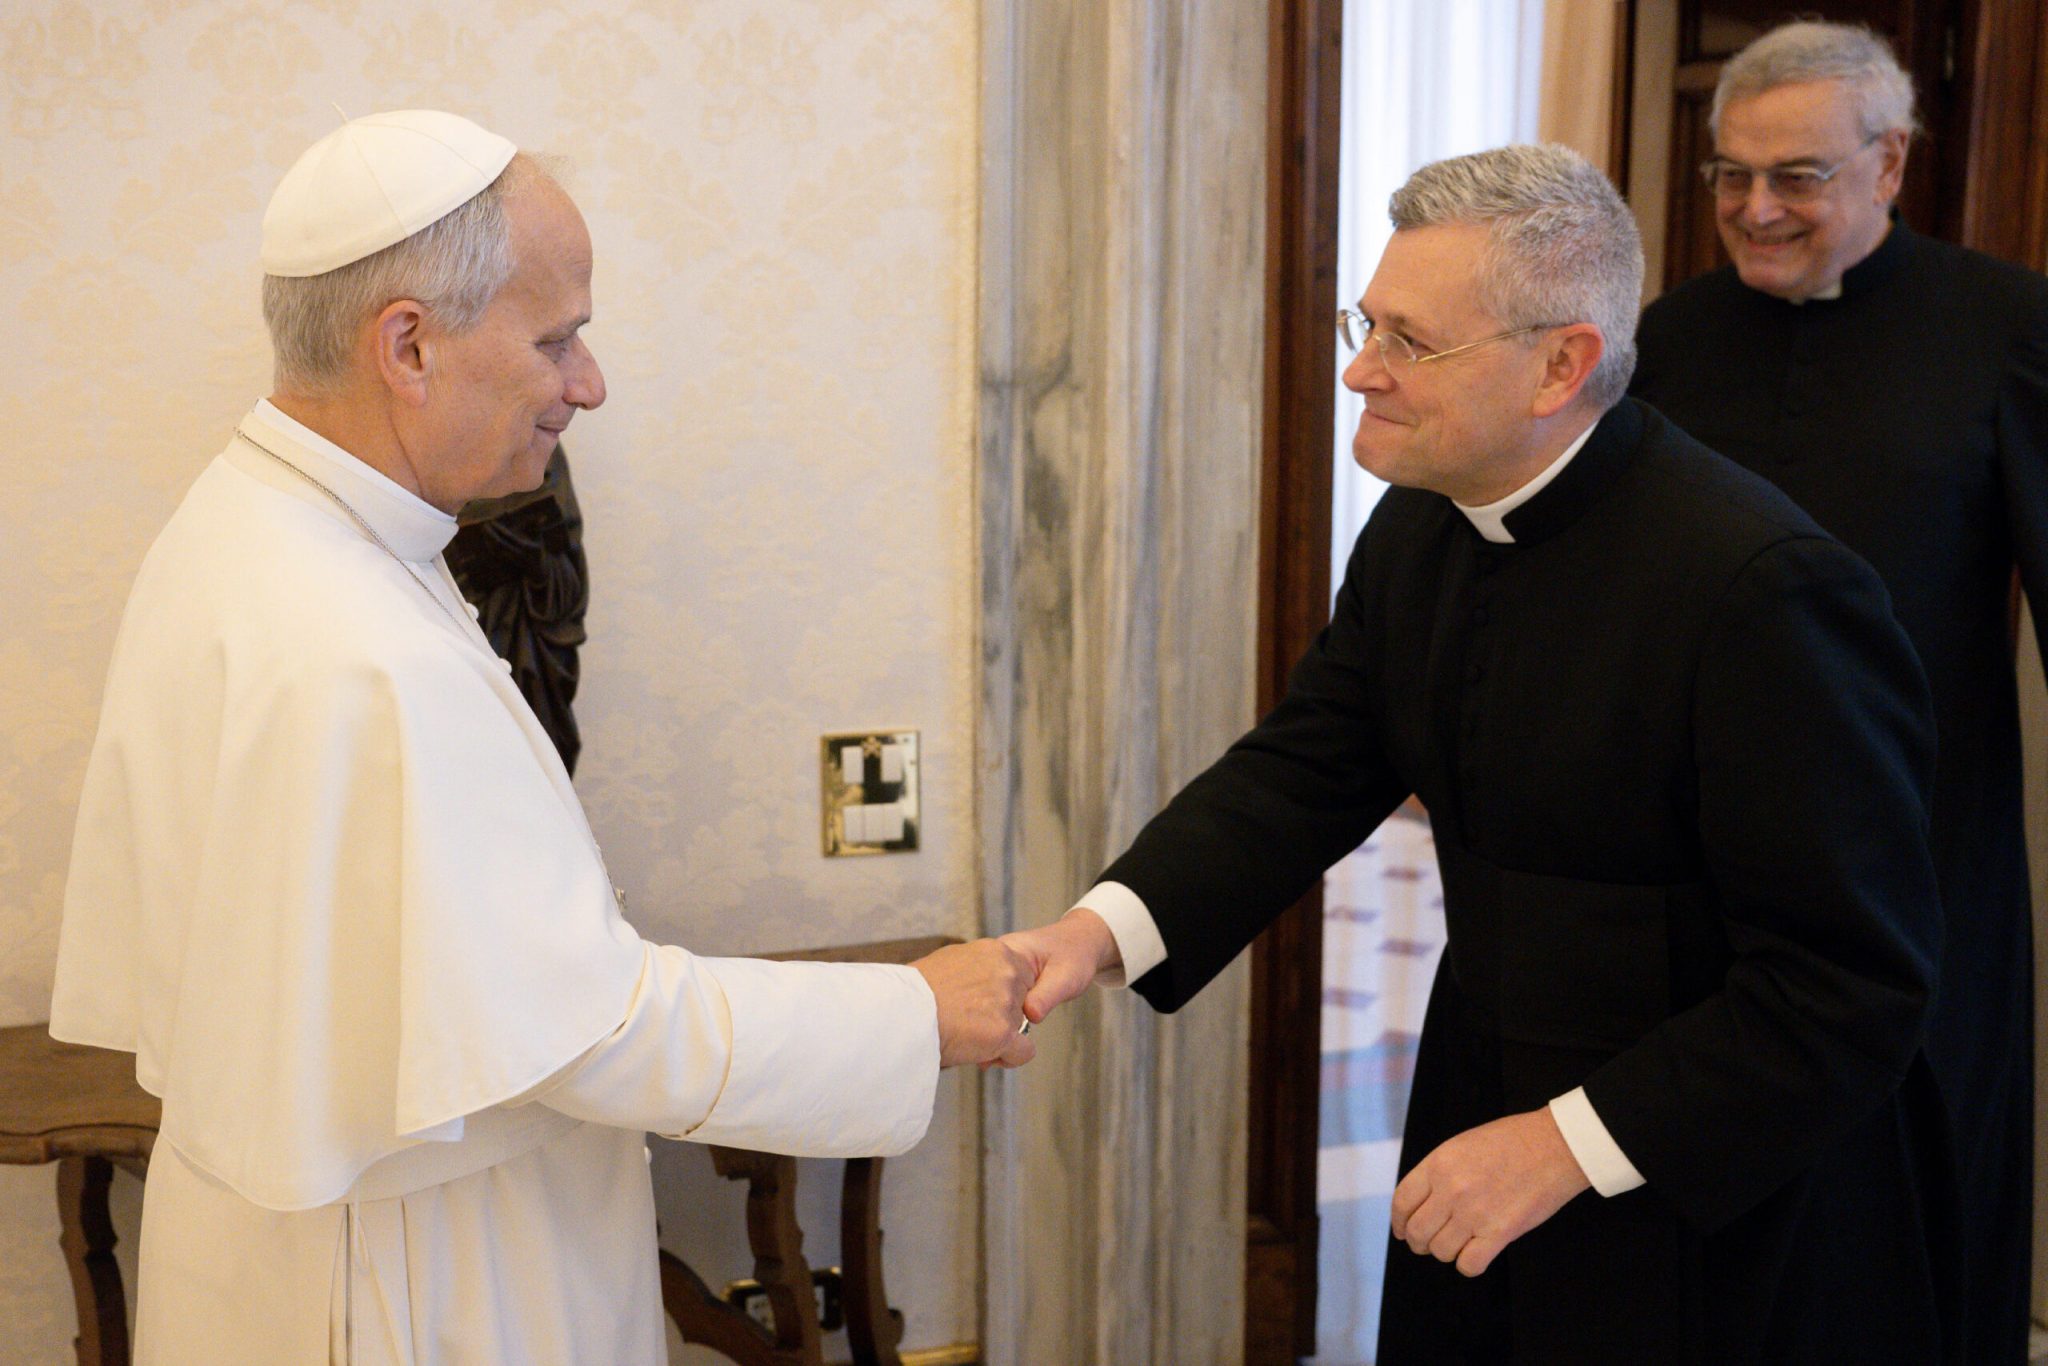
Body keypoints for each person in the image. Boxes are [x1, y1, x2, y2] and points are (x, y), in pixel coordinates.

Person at [47, 110, 1033, 1364]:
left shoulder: (251, 517)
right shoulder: (356, 644)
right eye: (556, 338)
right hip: (421, 1288)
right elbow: (595, 1028)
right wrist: (913, 1012)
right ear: (408, 344)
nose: (588, 382)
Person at [1007, 143, 1956, 1362]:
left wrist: (1563, 1142)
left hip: (1711, 1171)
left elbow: (1849, 986)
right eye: (1368, 324)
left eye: (1409, 341)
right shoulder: (1422, 520)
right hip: (1483, 1097)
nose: (1360, 369)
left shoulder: (1762, 588)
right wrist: (1090, 936)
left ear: (1559, 363)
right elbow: (1306, 766)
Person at [1627, 22, 2048, 1361]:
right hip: (1702, 870)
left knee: (1916, 1212)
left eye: (1796, 176)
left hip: (1923, 855)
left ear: (1891, 163)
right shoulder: (1665, 341)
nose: (1755, 208)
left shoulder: (2007, 327)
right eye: (1732, 174)